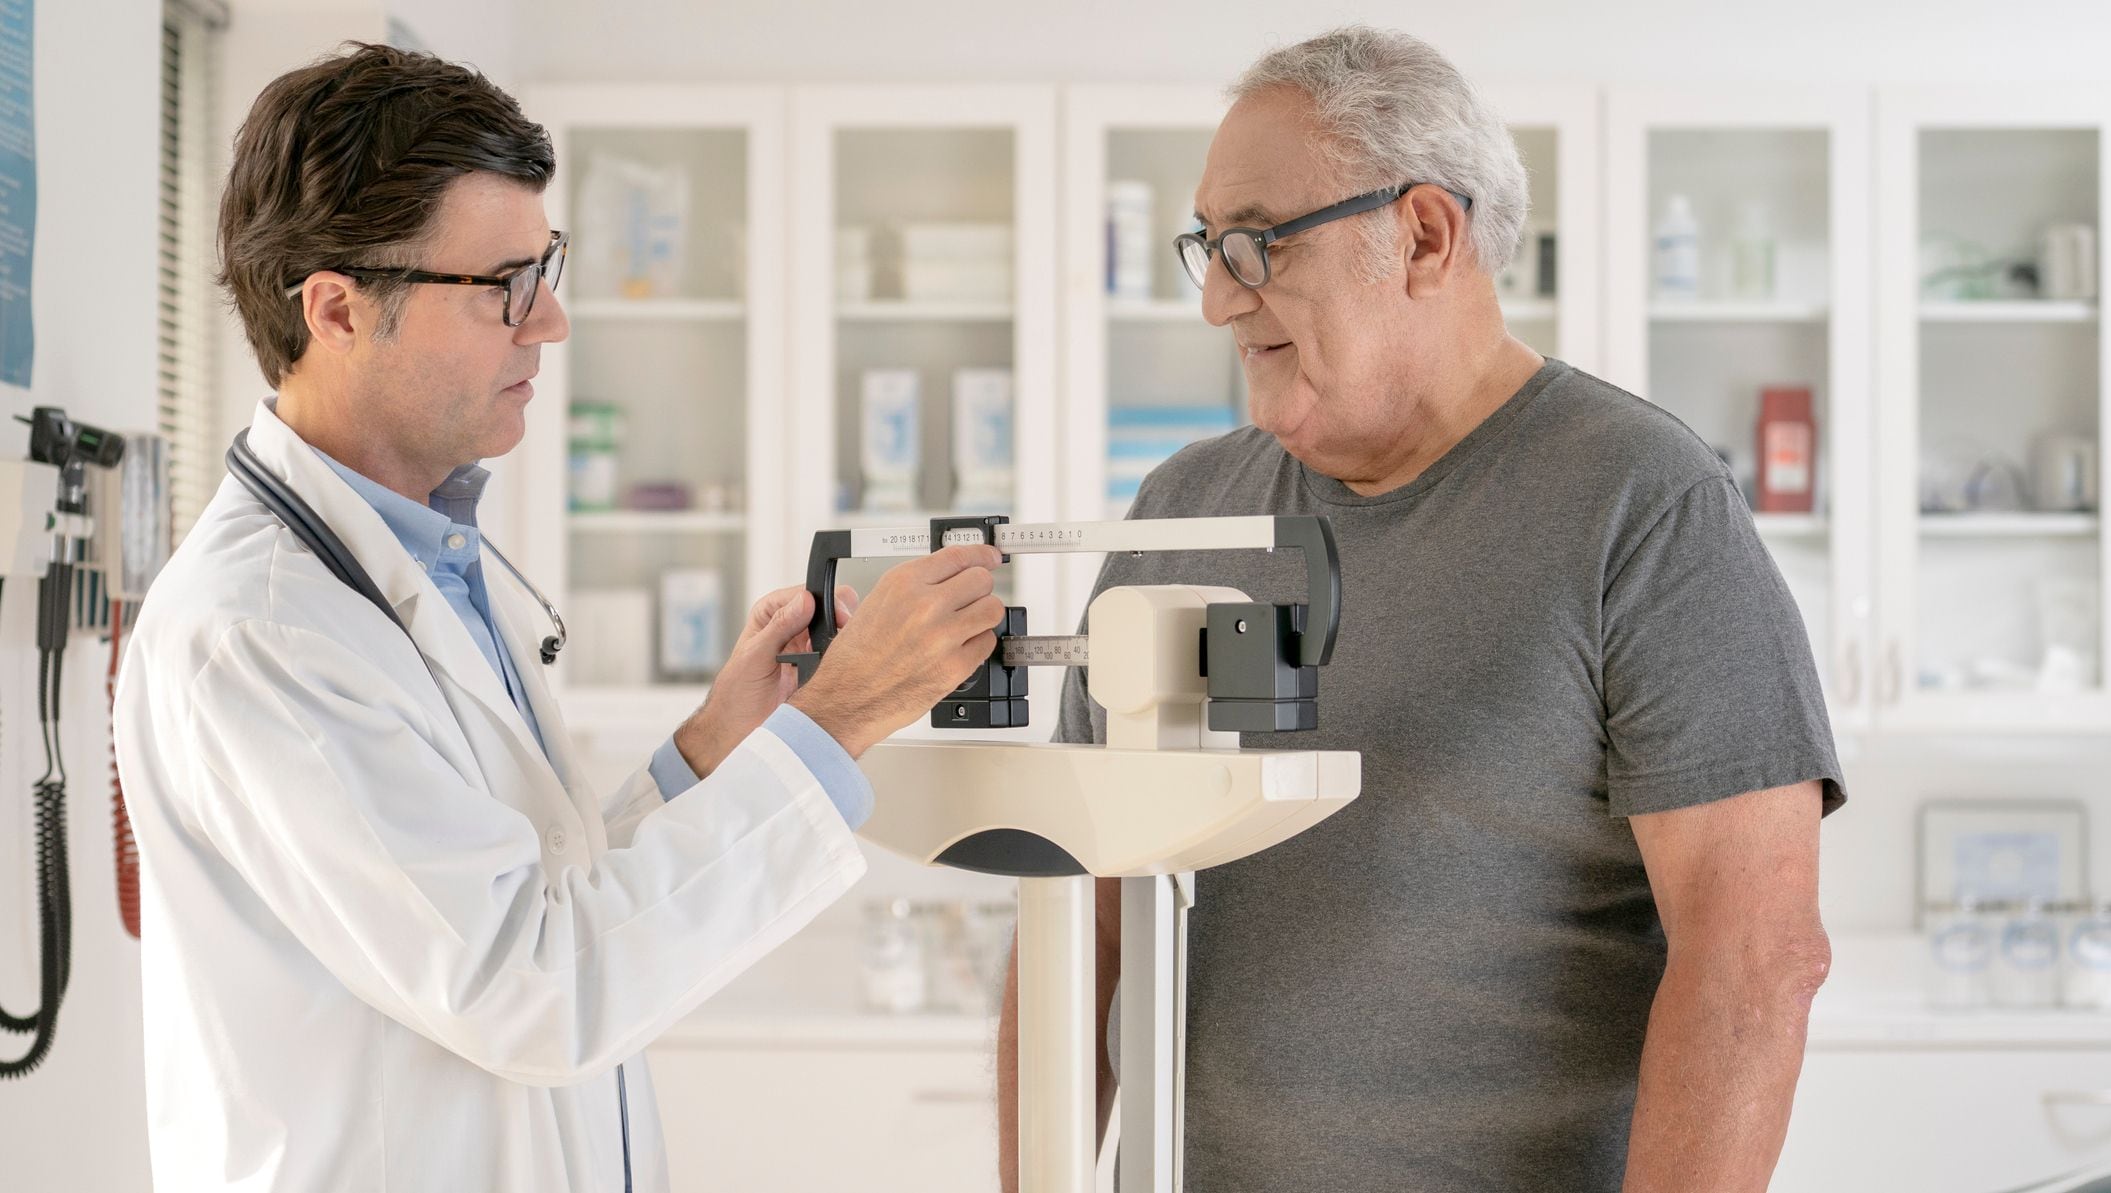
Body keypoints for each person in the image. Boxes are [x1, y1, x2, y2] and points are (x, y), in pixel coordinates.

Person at [112, 43, 1005, 1193]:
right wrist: (833, 726)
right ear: (335, 307)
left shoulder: (420, 556)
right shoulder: (260, 635)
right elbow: (536, 984)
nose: (553, 324)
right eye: (505, 287)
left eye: (548, 268)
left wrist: (703, 758)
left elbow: (527, 899)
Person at [997, 26, 1842, 1192]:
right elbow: (1077, 922)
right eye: (1210, 247)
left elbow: (1753, 957)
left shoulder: (1643, 505)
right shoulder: (1184, 510)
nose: (1218, 302)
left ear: (1424, 235)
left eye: (1255, 244)